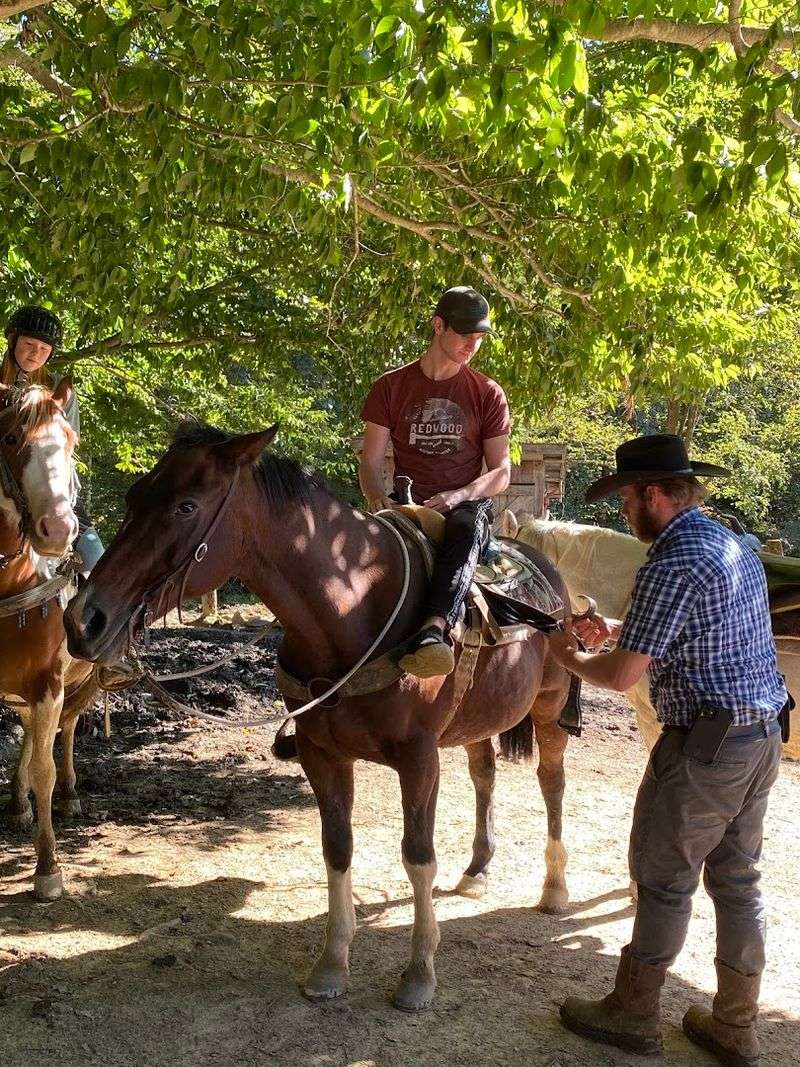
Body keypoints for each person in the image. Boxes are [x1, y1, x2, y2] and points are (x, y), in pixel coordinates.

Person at [546, 434, 787, 1065]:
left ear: (654, 493)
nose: (625, 512)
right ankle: (735, 1023)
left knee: (662, 876)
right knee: (738, 880)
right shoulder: (730, 543)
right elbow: (701, 625)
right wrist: (621, 629)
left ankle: (633, 1012)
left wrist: (570, 655)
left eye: (627, 498)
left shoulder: (671, 559)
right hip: (760, 735)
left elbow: (624, 676)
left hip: (705, 746)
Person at [359, 286, 511, 678]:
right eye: (465, 335)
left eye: (479, 338)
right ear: (438, 325)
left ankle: (433, 631)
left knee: (465, 526)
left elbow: (501, 471)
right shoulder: (390, 387)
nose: (472, 346)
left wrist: (461, 494)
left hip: (464, 505)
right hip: (404, 503)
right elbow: (371, 461)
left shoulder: (487, 393)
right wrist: (379, 501)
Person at [2, 305, 104, 574]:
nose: (36, 353)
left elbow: (67, 442)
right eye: (29, 343)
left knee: (95, 561)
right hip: (4, 480)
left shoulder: (58, 387)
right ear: (13, 341)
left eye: (44, 349)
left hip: (49, 483)